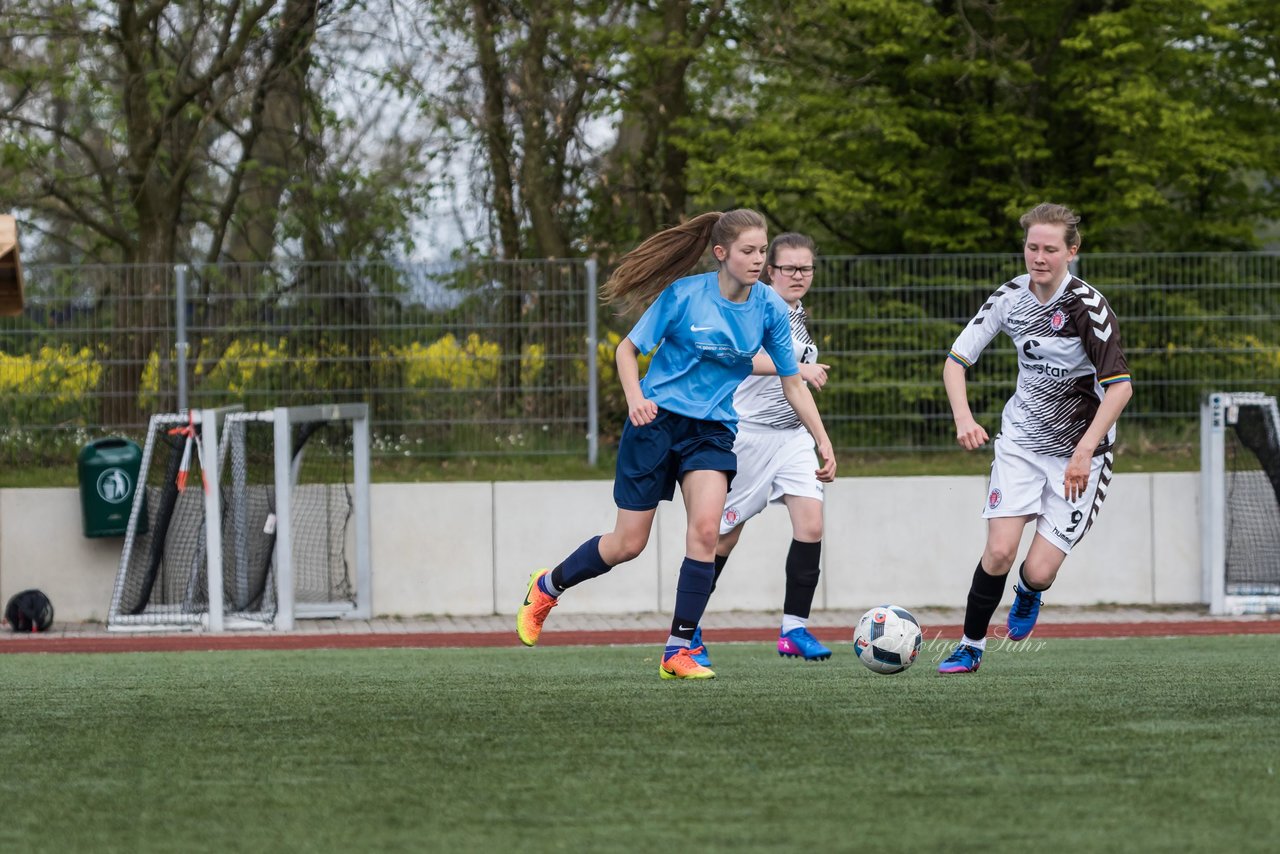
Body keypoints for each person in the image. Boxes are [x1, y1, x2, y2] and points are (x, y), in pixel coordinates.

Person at [516, 209, 838, 680]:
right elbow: (628, 350)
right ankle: (547, 585)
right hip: (656, 423)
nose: (757, 259)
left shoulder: (769, 307)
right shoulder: (685, 296)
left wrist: (822, 440)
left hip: (711, 430)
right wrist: (634, 398)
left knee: (706, 532)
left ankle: (678, 650)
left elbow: (792, 382)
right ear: (721, 254)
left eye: (762, 250)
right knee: (628, 543)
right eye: (748, 251)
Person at [937, 202, 1133, 675]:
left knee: (1039, 570)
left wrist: (1084, 452)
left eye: (1050, 249)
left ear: (1071, 251)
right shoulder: (1009, 298)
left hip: (1080, 453)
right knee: (1000, 550)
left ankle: (1029, 592)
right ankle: (970, 646)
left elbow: (1120, 387)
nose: (1038, 257)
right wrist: (963, 418)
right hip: (1021, 446)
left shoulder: (1087, 306)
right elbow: (955, 361)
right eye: (1031, 247)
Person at [690, 233, 834, 668]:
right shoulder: (755, 307)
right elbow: (737, 357)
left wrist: (822, 439)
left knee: (811, 524)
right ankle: (688, 627)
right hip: (747, 435)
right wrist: (800, 367)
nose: (797, 275)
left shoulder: (797, 313)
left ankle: (794, 629)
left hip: (790, 438)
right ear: (770, 270)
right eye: (788, 267)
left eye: (805, 268)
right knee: (722, 538)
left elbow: (794, 389)